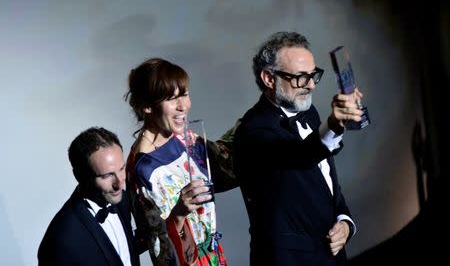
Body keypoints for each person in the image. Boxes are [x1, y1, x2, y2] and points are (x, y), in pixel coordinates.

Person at [233, 31, 362, 266]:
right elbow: (299, 156)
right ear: (269, 79)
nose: (311, 85)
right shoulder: (253, 131)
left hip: (332, 258)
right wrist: (334, 124)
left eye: (313, 75)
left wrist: (345, 222)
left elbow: (325, 182)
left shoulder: (308, 113)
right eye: (301, 77)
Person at [124, 58, 237, 266]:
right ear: (147, 106)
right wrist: (178, 214)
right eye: (171, 98)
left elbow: (227, 166)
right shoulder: (144, 169)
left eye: (184, 94)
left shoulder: (182, 138)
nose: (183, 106)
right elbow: (159, 248)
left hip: (214, 258)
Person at [38, 127, 141, 266]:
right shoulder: (60, 240)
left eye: (122, 169)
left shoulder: (120, 199)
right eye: (107, 175)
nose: (120, 184)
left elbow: (121, 253)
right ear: (79, 176)